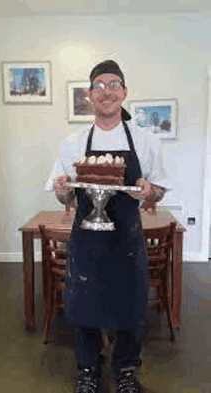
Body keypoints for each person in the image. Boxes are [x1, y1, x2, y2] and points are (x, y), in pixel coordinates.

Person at [45, 60, 171, 393]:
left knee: (130, 307)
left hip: (127, 239)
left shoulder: (145, 142)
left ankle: (127, 369)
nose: (107, 91)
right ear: (89, 95)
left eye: (114, 84)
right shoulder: (73, 143)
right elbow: (65, 199)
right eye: (99, 85)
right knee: (84, 306)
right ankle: (88, 370)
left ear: (124, 92)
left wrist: (149, 192)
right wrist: (62, 192)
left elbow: (158, 190)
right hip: (86, 239)